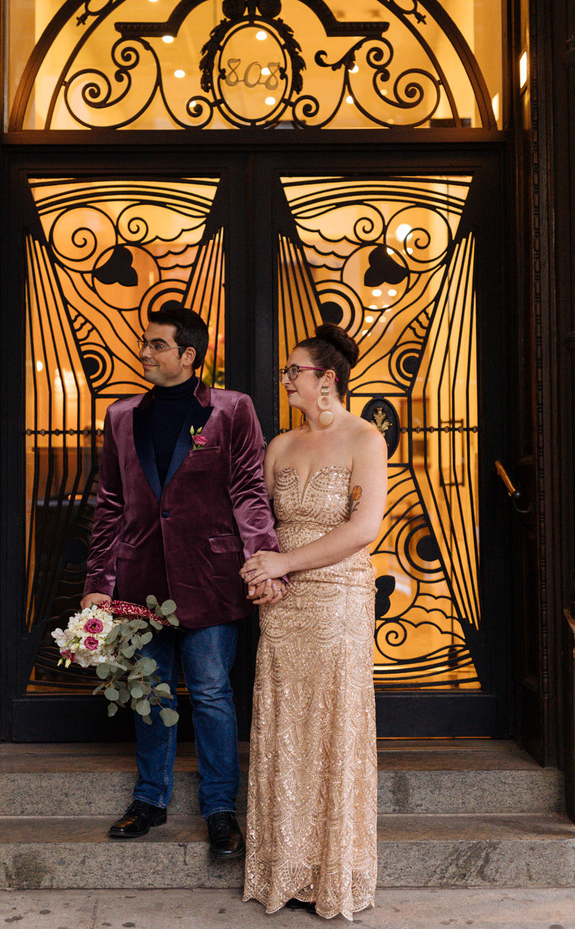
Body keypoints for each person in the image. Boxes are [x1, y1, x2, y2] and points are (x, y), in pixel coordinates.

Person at [81, 306, 284, 859]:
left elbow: (247, 491)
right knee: (150, 691)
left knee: (214, 694)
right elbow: (110, 504)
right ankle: (150, 800)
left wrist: (263, 558)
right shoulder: (121, 416)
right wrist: (99, 579)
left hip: (210, 577)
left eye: (156, 345)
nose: (144, 353)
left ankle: (221, 810)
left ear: (188, 355)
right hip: (139, 575)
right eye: (145, 345)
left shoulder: (232, 409)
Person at [240, 324, 388, 919]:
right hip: (283, 607)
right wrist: (263, 572)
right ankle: (284, 869)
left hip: (338, 600)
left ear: (326, 379)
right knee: (285, 730)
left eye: (292, 371)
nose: (285, 380)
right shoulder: (278, 445)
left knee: (333, 732)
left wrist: (287, 562)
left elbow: (362, 529)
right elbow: (256, 523)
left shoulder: (365, 439)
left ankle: (335, 873)